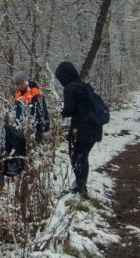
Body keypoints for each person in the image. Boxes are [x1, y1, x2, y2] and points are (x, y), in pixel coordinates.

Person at [55, 61, 102, 197]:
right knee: (83, 157)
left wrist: (62, 113)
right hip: (95, 127)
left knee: (76, 157)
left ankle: (80, 188)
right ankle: (81, 186)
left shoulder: (70, 88)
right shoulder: (84, 85)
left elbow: (70, 109)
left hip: (82, 129)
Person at [12, 71, 51, 141]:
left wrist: (45, 126)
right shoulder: (17, 95)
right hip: (22, 128)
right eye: (18, 84)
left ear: (26, 82)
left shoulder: (36, 93)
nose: (20, 86)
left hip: (36, 128)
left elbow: (43, 111)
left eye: (21, 83)